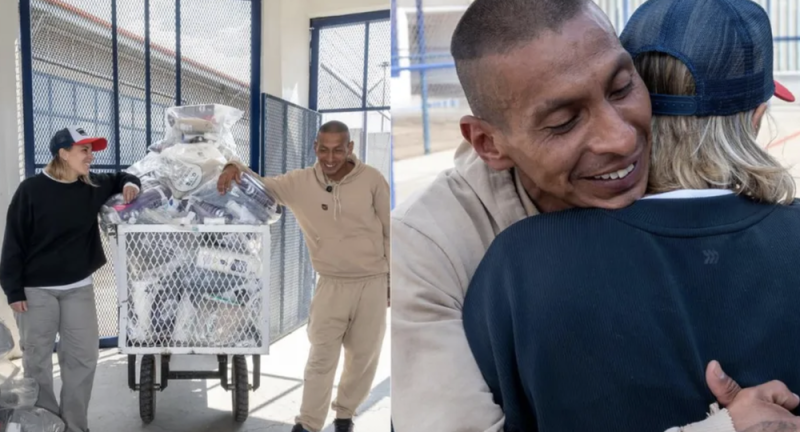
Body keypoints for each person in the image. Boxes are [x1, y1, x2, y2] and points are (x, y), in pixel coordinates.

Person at [390, 0, 799, 431]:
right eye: (565, 122)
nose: (622, 140)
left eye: (622, 88)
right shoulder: (427, 245)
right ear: (489, 144)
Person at [218, 120, 390, 432]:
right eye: (324, 149)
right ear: (315, 148)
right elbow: (261, 186)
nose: (330, 157)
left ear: (350, 148)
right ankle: (308, 423)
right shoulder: (299, 182)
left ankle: (345, 416)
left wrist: (394, 282)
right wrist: (233, 165)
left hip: (373, 281)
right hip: (330, 284)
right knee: (321, 357)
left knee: (363, 358)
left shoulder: (373, 180)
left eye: (338, 149)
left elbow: (391, 232)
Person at [0, 126, 141, 432]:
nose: (91, 157)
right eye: (84, 150)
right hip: (36, 289)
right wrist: (13, 291)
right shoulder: (31, 190)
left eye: (92, 150)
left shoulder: (90, 185)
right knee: (37, 362)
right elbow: (13, 241)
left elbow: (120, 176)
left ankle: (75, 426)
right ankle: (45, 424)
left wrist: (130, 183)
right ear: (63, 154)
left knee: (83, 358)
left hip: (78, 287)